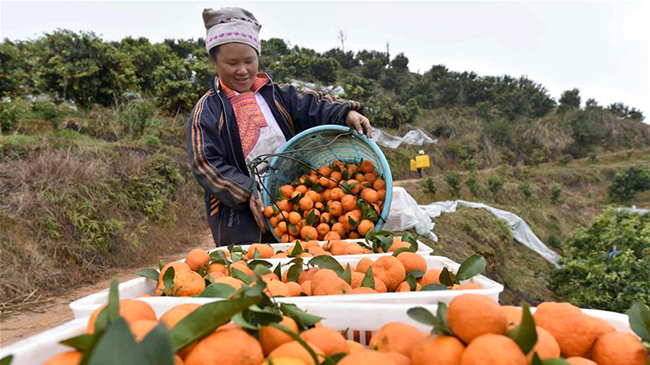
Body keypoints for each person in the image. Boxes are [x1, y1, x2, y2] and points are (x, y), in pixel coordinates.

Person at [186, 7, 371, 247]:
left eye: (249, 61)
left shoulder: (278, 95)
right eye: (232, 63)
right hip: (242, 216)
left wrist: (346, 112)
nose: (242, 70)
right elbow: (205, 163)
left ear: (258, 57)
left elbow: (312, 106)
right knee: (252, 271)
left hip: (297, 201)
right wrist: (246, 191)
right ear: (214, 61)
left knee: (300, 266)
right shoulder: (208, 110)